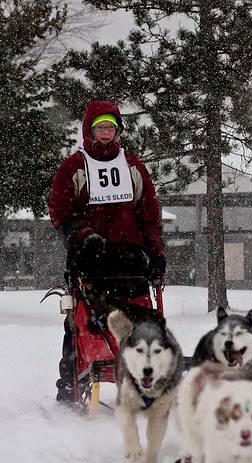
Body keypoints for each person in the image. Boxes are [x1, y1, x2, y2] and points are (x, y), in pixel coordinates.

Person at [48, 100, 166, 403]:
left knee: (141, 318)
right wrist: (81, 235)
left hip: (130, 259)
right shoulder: (75, 166)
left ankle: (147, 371)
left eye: (110, 127)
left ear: (117, 131)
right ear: (90, 129)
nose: (105, 132)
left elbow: (149, 214)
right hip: (90, 257)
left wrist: (156, 254)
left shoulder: (132, 166)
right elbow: (60, 210)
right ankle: (71, 381)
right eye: (100, 127)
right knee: (82, 321)